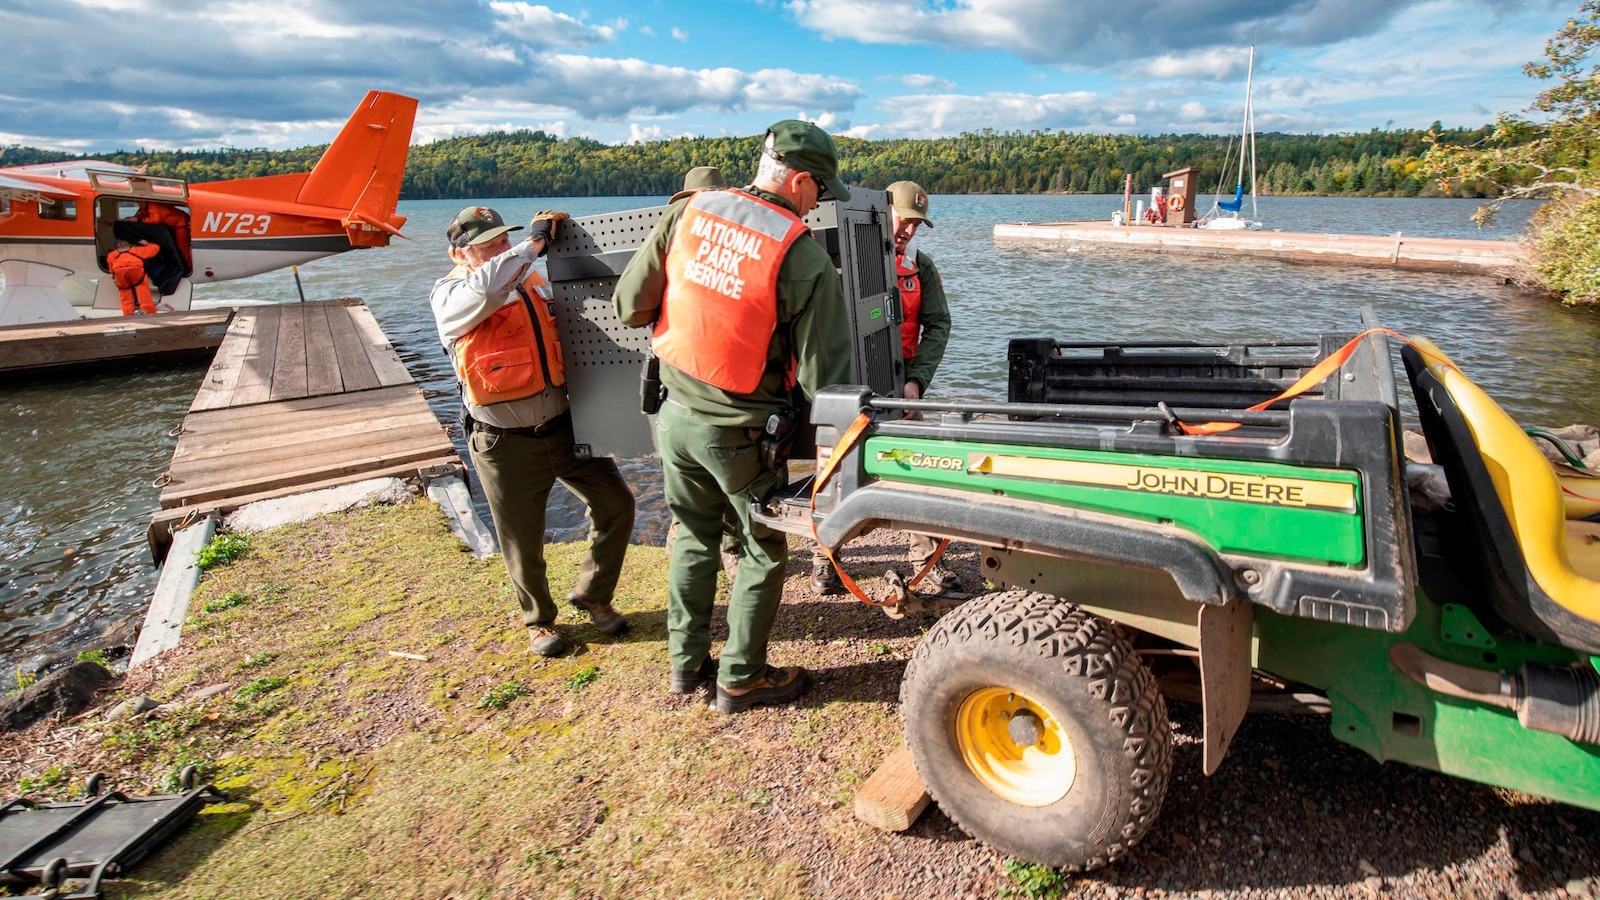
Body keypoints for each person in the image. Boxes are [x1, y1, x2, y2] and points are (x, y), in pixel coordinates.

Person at [615, 120, 853, 713]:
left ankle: (686, 664)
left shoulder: (688, 213)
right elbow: (829, 385)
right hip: (743, 435)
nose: (818, 204)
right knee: (763, 545)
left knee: (693, 533)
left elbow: (629, 306)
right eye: (820, 192)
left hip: (671, 416)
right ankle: (742, 677)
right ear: (799, 180)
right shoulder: (803, 257)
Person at [430, 205, 637, 657]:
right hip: (504, 442)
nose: (502, 249)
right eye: (488, 246)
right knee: (522, 539)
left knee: (616, 504)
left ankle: (593, 593)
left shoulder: (531, 280)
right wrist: (535, 242)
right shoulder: (450, 295)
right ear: (458, 254)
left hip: (565, 428)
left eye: (505, 240)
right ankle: (539, 622)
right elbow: (488, 285)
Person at [810, 180, 958, 595]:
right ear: (881, 212)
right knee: (832, 465)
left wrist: (916, 381)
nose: (908, 230)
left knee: (923, 466)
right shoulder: (840, 255)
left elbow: (939, 325)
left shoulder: (920, 266)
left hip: (900, 380)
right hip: (848, 382)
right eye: (904, 220)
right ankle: (826, 557)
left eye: (916, 225)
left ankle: (927, 559)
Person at [106, 238, 161, 315]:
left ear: (118, 246)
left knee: (124, 291)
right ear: (129, 245)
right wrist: (146, 244)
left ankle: (128, 312)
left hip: (119, 272)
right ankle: (147, 310)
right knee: (142, 288)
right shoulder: (136, 250)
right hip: (136, 270)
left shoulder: (112, 255)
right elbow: (155, 248)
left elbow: (111, 269)